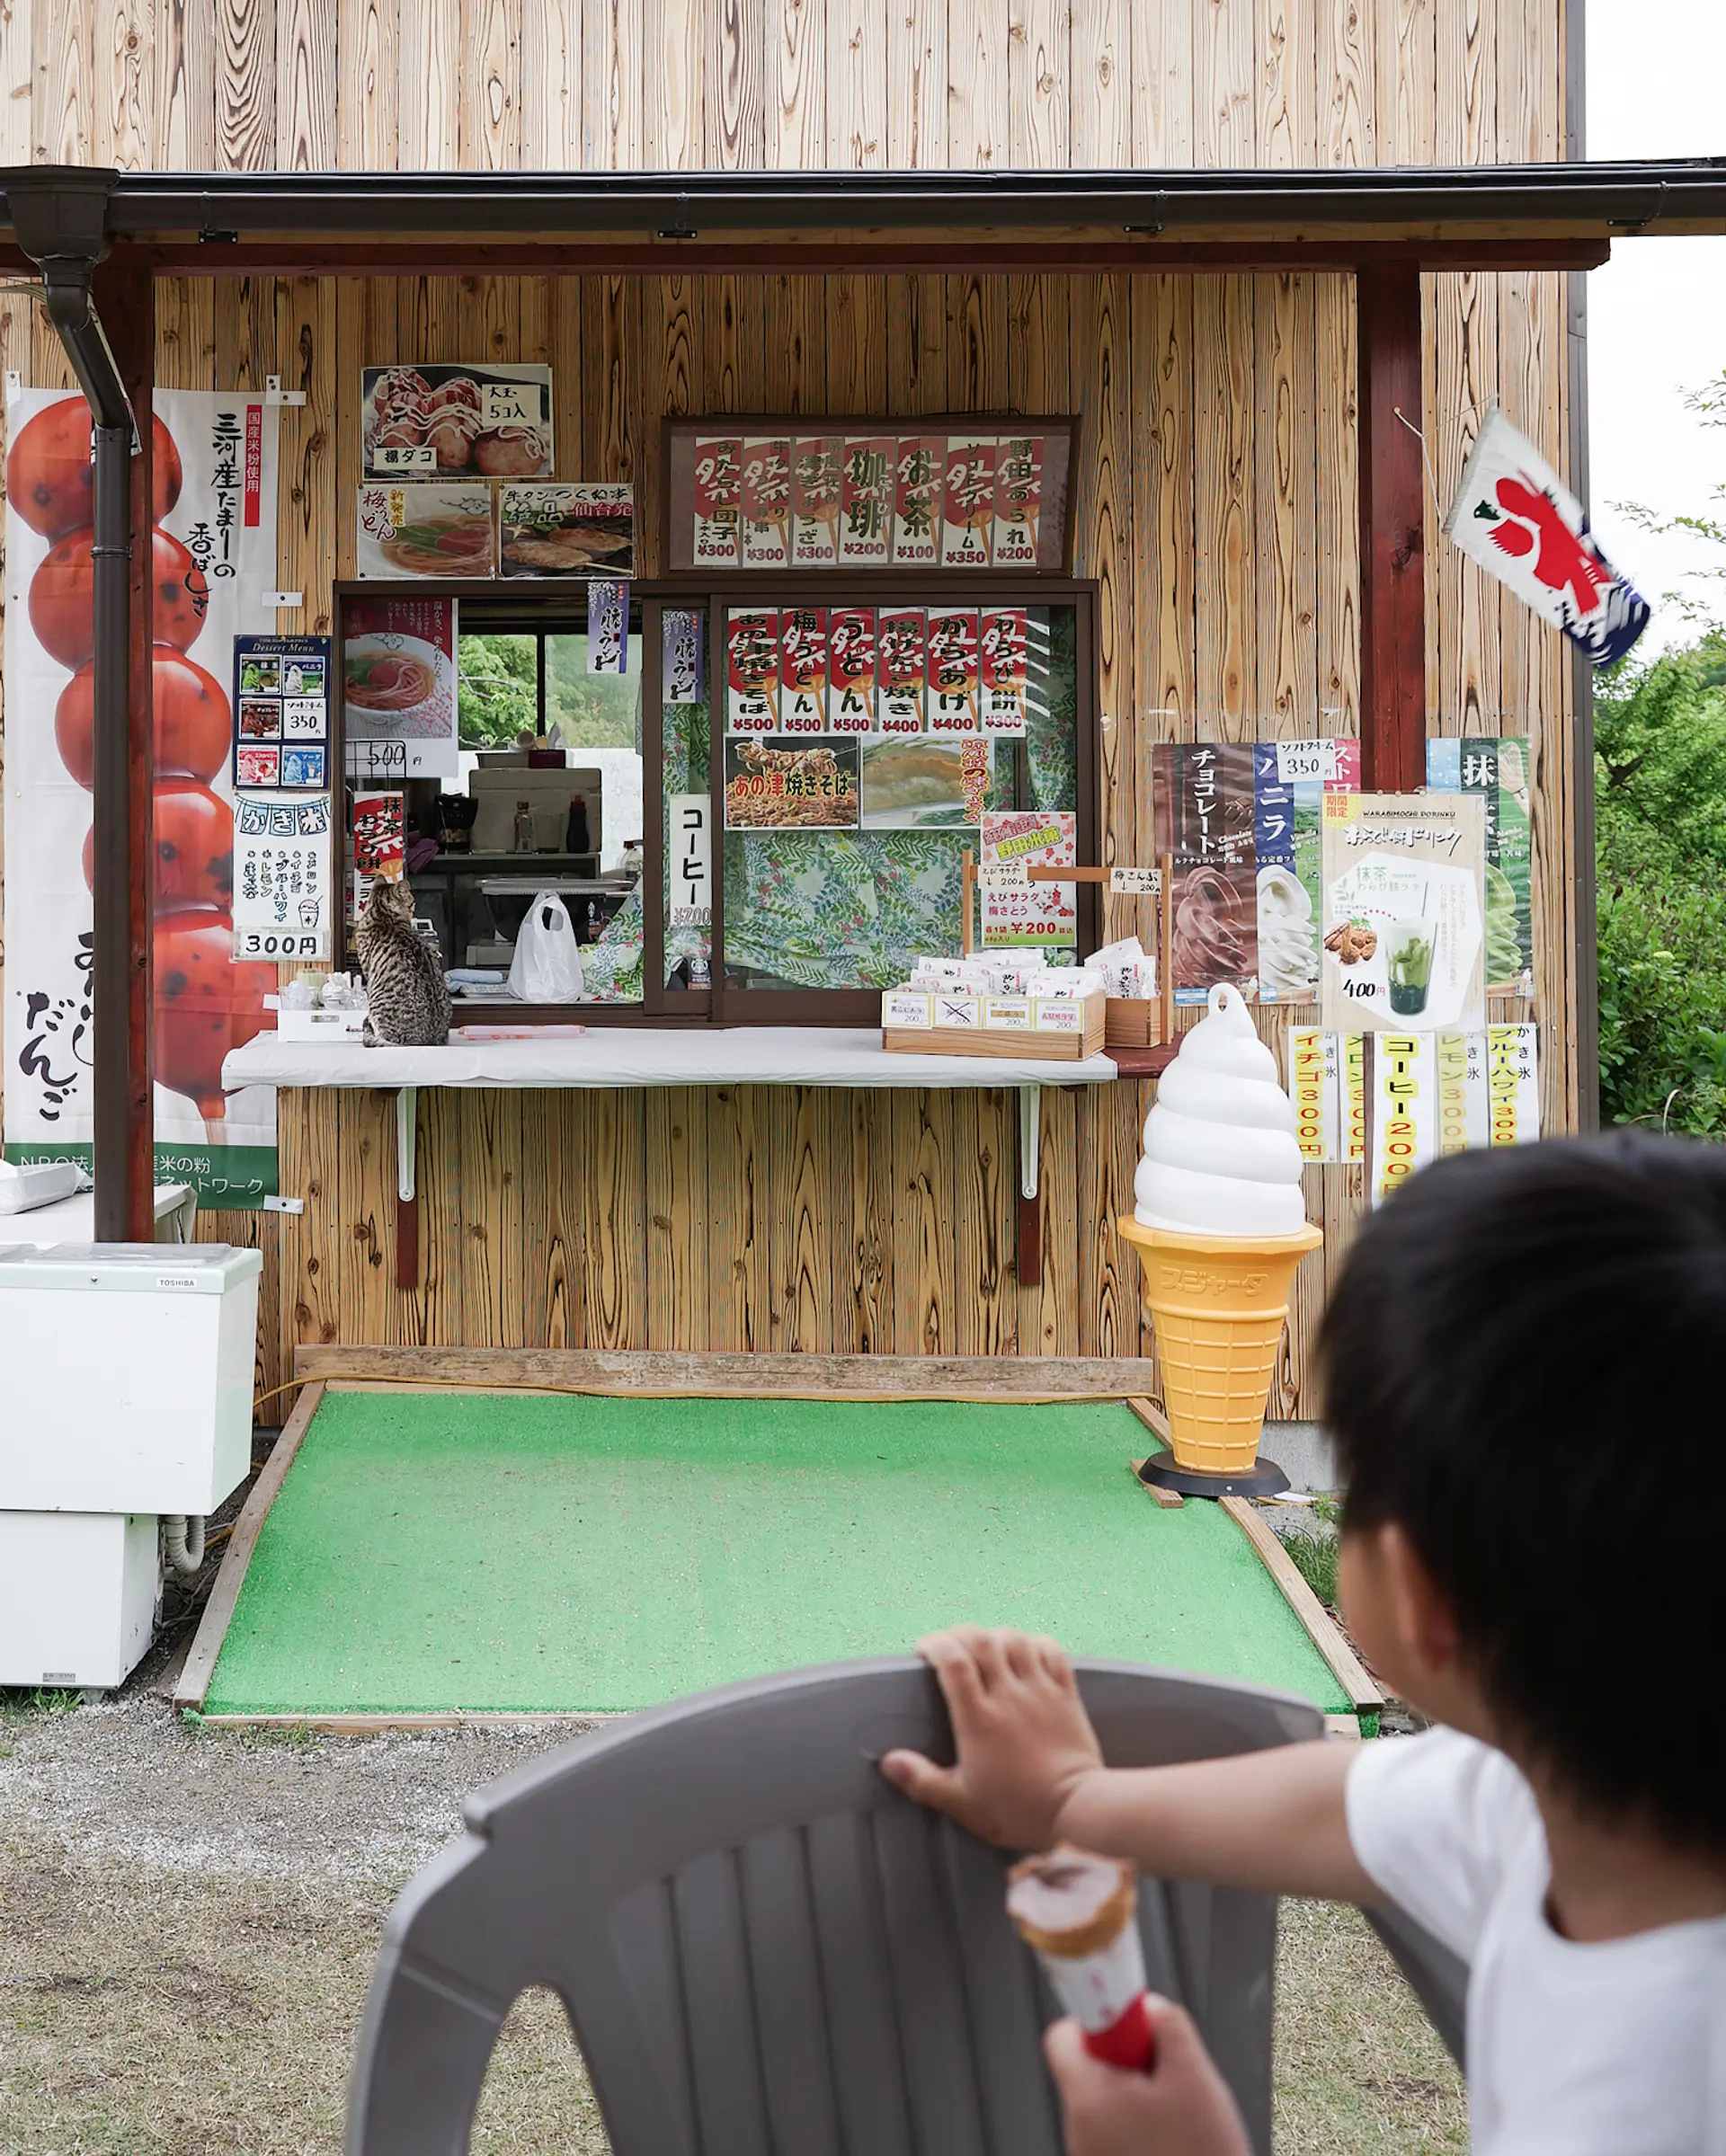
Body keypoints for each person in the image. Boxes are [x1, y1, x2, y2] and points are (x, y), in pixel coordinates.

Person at [881, 1134, 1726, 2154]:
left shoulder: (1652, 2100)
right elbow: (1356, 1805)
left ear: (1423, 1597)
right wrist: (1073, 1800)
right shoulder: (1570, 1798)